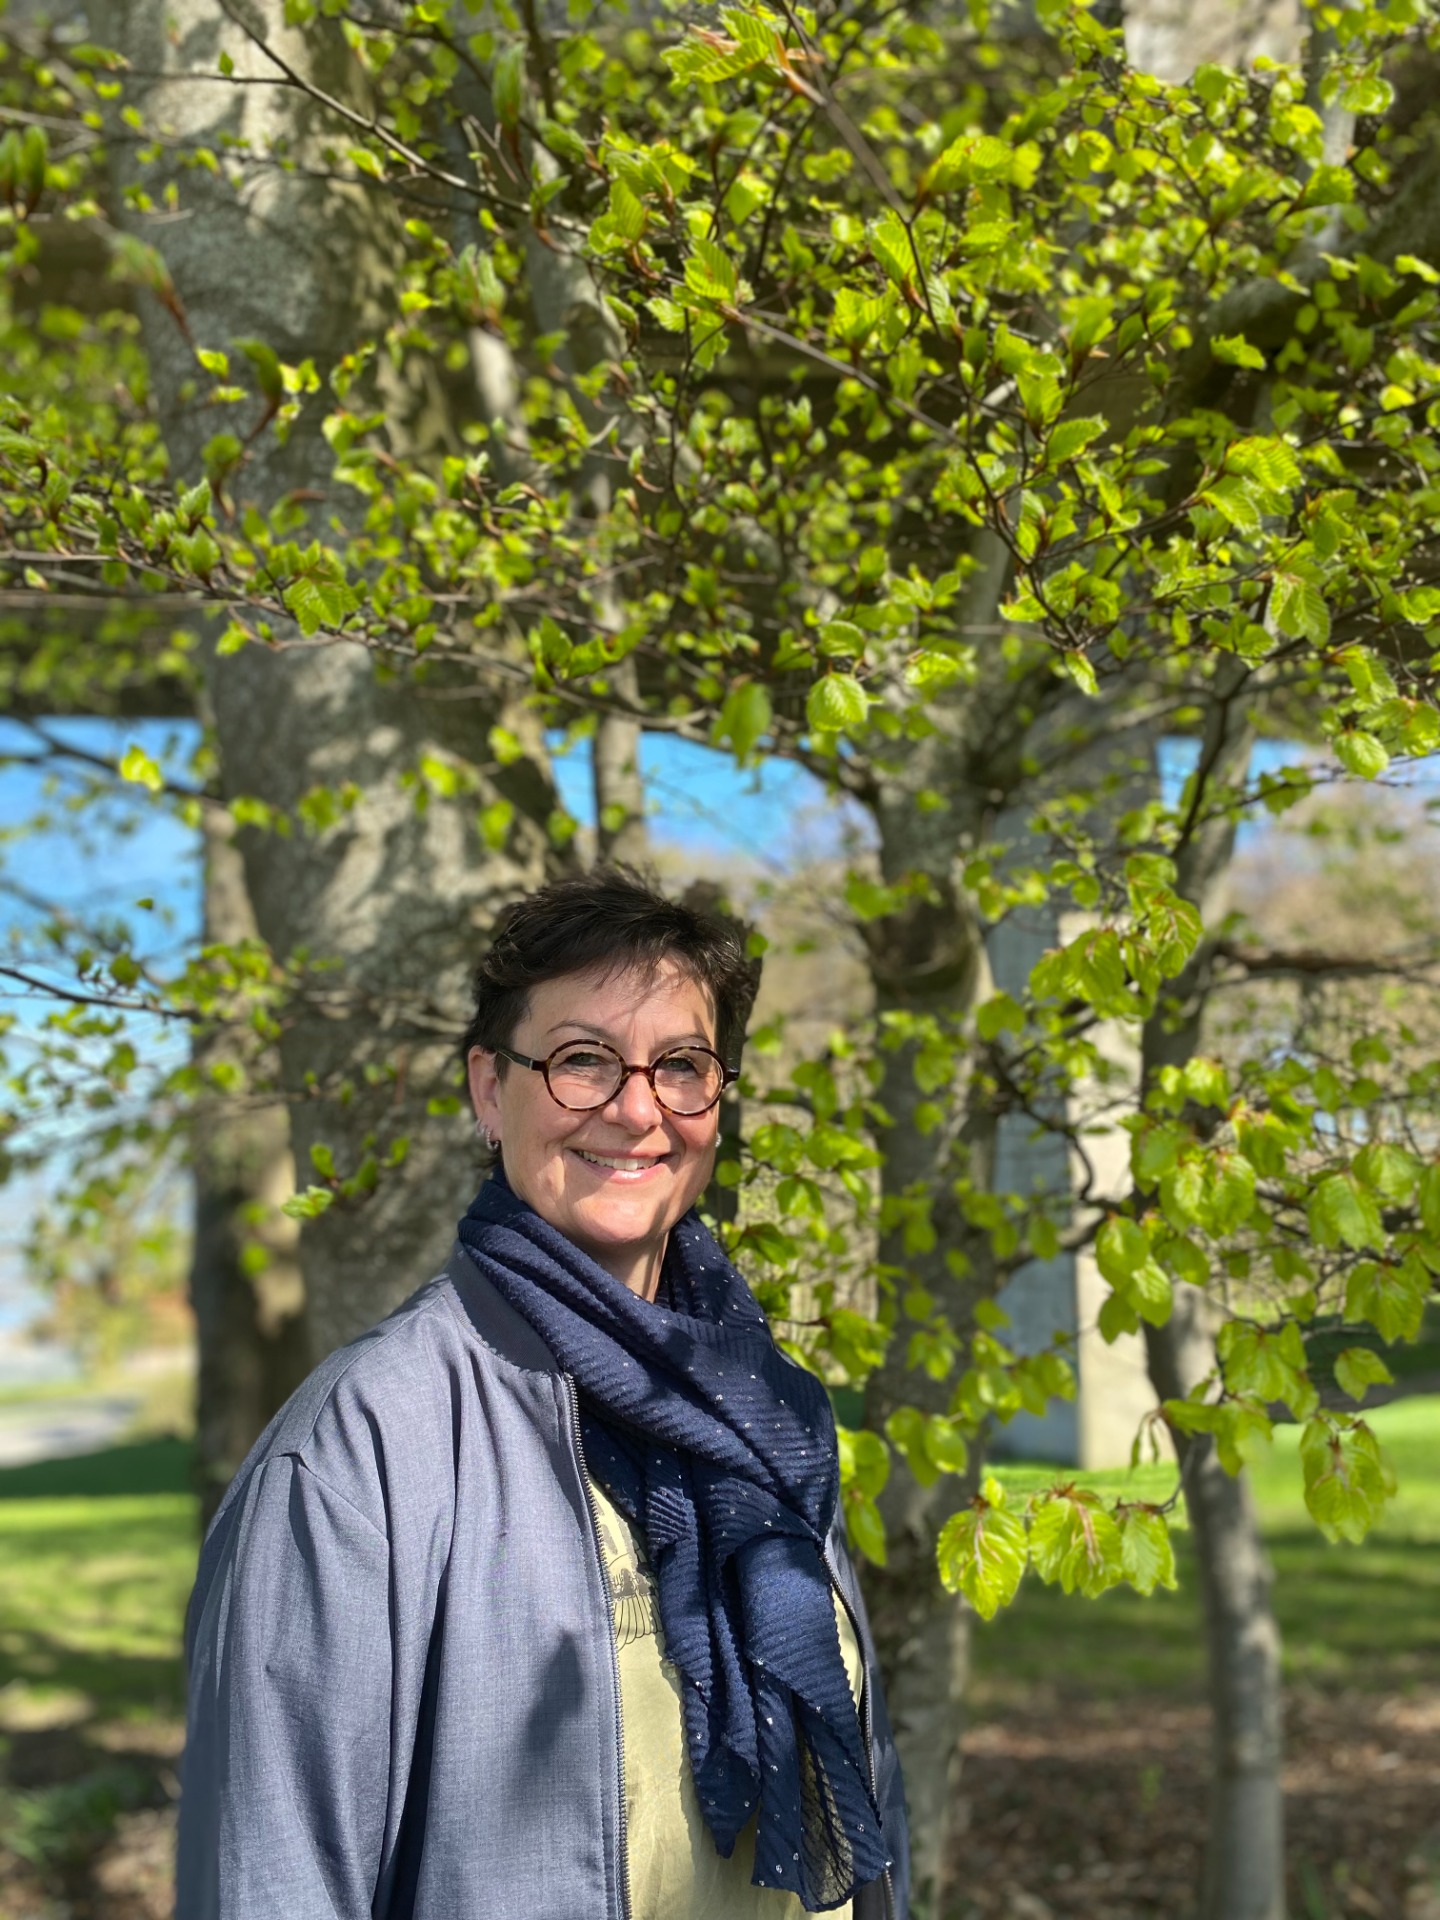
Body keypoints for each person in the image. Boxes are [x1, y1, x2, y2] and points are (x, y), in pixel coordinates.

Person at [176, 868, 909, 1920]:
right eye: (582, 1061)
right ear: (489, 1090)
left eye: (682, 1065)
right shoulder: (364, 1447)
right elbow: (272, 1879)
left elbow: (867, 1797)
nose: (637, 1109)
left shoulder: (772, 1413)